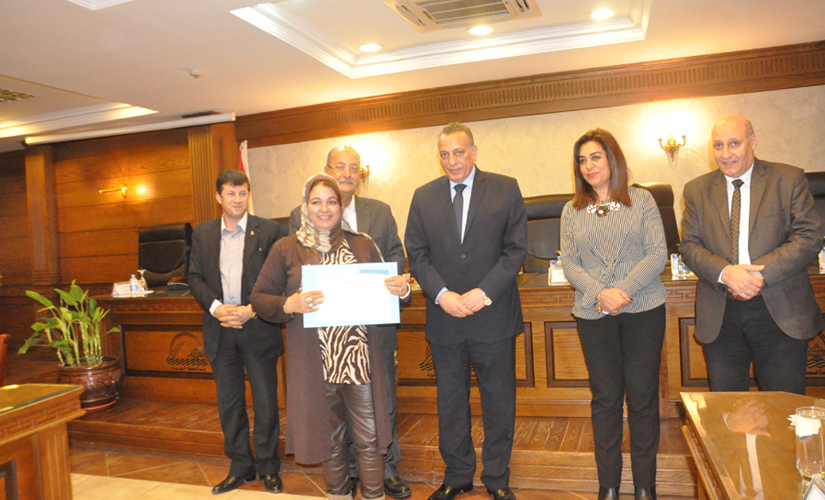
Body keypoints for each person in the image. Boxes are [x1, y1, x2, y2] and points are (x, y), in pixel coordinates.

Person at [250, 174, 411, 500]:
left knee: (369, 439)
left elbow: (391, 293)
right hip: (316, 365)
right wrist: (289, 304)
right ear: (305, 206)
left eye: (331, 201)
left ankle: (374, 495)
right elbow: (259, 298)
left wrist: (402, 289)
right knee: (330, 439)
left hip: (360, 362)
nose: (324, 209)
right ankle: (338, 495)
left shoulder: (363, 243)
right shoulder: (287, 248)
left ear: (341, 205)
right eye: (316, 201)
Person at [404, 122, 527, 500]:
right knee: (451, 403)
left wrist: (483, 292)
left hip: (493, 315)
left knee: (498, 402)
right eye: (444, 154)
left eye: (459, 152)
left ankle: (497, 478)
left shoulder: (505, 188)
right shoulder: (423, 196)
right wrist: (441, 294)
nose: (452, 161)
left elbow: (515, 250)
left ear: (474, 151)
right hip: (445, 317)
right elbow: (417, 253)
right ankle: (457, 475)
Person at [560, 129, 667, 500]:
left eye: (596, 157)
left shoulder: (642, 200)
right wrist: (600, 294)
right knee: (605, 399)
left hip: (644, 310)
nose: (588, 166)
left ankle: (644, 487)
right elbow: (569, 263)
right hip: (594, 314)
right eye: (582, 160)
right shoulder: (572, 211)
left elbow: (657, 253)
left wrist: (622, 291)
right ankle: (608, 486)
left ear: (613, 159)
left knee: (642, 399)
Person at [680, 116, 824, 395]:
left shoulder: (787, 178)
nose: (725, 154)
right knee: (726, 408)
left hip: (780, 310)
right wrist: (726, 273)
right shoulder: (696, 190)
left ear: (753, 141)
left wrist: (759, 275)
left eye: (734, 143)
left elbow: (809, 237)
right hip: (721, 313)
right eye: (718, 145)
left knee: (784, 407)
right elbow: (689, 245)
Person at [188, 169, 284, 494]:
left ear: (248, 195)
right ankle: (241, 466)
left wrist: (251, 309)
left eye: (243, 193)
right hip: (220, 329)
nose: (238, 199)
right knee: (230, 403)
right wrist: (216, 308)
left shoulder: (269, 230)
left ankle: (268, 466)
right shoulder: (203, 233)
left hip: (257, 326)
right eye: (231, 193)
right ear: (219, 197)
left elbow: (278, 279)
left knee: (266, 402)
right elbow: (194, 277)